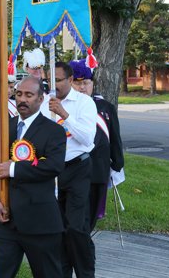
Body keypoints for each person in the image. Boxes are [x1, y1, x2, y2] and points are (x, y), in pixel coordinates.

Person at [0, 76, 66, 278]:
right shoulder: (5, 127)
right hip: (6, 222)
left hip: (40, 223)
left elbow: (54, 166)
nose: (22, 99)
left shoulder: (54, 131)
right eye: (19, 94)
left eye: (29, 95)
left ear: (41, 99)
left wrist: (14, 170)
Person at [49, 61, 97, 278]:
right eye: (50, 80)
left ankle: (85, 272)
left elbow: (87, 138)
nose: (53, 85)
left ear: (70, 80)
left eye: (58, 80)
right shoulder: (44, 103)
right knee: (57, 228)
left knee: (76, 228)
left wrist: (64, 115)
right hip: (53, 171)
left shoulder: (84, 103)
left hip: (78, 168)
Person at [68, 59, 125, 232]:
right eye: (77, 83)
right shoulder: (65, 106)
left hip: (97, 171)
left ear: (92, 83)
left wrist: (117, 162)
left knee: (90, 217)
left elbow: (115, 138)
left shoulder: (105, 107)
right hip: (72, 172)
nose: (82, 87)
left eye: (86, 82)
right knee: (75, 220)